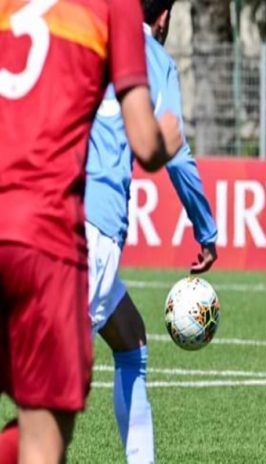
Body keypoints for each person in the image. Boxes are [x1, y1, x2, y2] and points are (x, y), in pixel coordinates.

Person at [0, 0, 182, 460]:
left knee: (129, 334)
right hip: (46, 236)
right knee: (44, 435)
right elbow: (144, 142)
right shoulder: (116, 8)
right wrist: (167, 138)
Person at [85, 0, 218, 462]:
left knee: (131, 339)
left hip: (47, 209)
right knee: (49, 388)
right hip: (91, 229)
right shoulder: (153, 60)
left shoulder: (88, 39)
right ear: (164, 19)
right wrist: (206, 230)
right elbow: (173, 153)